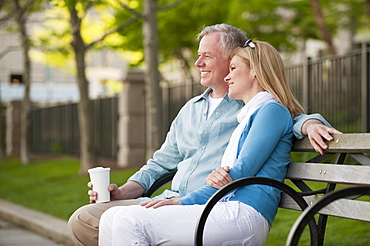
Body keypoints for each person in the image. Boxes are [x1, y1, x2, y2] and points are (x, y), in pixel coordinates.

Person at [68, 24, 341, 246]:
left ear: (235, 59)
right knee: (88, 220)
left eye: (207, 56)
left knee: (125, 223)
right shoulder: (196, 109)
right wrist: (124, 192)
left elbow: (286, 114)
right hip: (184, 199)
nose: (198, 63)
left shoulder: (251, 105)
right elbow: (161, 163)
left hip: (217, 203)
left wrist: (310, 123)